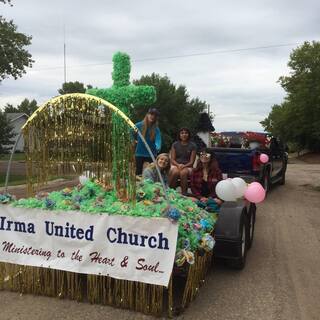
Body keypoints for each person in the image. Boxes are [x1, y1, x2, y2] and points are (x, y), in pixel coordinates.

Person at [169, 128, 197, 195]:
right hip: (176, 165)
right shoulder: (175, 144)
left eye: (186, 133)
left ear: (188, 134)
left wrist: (184, 166)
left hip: (188, 166)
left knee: (183, 173)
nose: (184, 134)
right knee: (175, 172)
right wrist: (178, 165)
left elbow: (192, 162)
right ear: (179, 135)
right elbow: (172, 159)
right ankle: (170, 192)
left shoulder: (193, 145)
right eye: (182, 133)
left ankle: (184, 193)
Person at [134, 108, 161, 175]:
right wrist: (133, 140)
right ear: (147, 115)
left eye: (155, 115)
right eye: (151, 114)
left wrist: (158, 146)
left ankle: (150, 184)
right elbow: (130, 131)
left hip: (151, 153)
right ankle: (138, 185)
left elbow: (158, 139)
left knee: (152, 172)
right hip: (140, 152)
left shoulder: (156, 129)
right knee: (138, 172)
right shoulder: (139, 125)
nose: (153, 116)